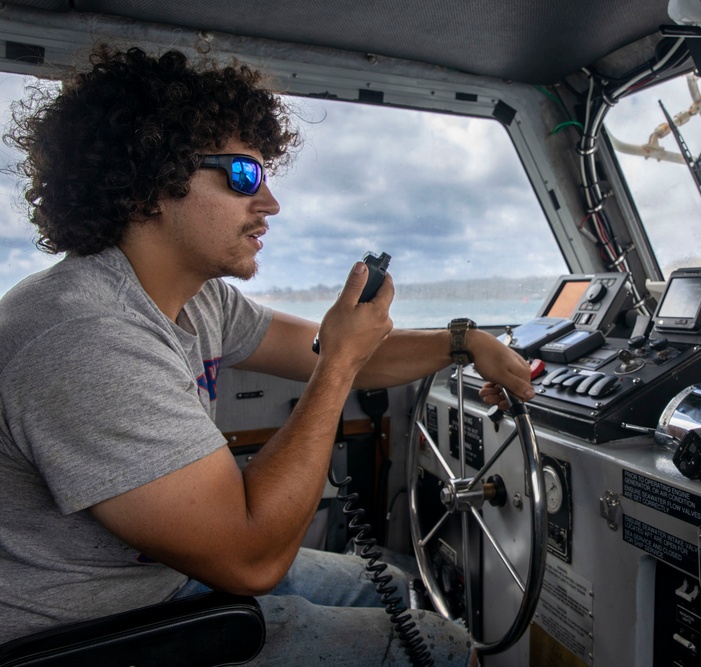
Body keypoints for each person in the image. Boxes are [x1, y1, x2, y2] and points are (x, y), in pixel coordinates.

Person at [0, 45, 534, 665]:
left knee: (389, 586)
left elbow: (345, 351)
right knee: (443, 649)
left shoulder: (198, 301)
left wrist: (464, 343)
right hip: (88, 633)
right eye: (243, 176)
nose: (271, 204)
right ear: (149, 185)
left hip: (153, 581)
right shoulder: (86, 337)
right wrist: (336, 368)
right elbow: (250, 557)